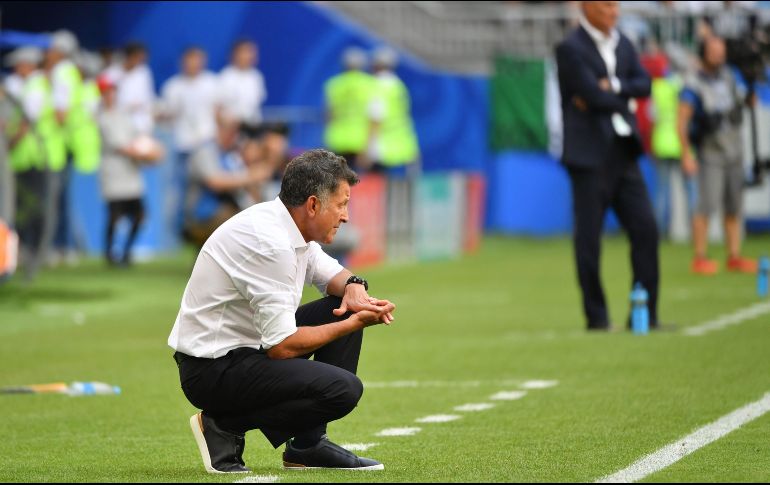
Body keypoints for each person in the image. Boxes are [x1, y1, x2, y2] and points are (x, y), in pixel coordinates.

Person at [168, 149, 396, 473]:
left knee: (342, 309)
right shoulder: (270, 243)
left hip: (244, 352)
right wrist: (357, 322)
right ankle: (223, 424)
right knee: (344, 390)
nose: (346, 216)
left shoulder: (287, 225)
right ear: (314, 205)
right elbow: (282, 347)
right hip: (211, 370)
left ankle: (307, 446)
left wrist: (355, 287)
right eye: (342, 204)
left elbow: (332, 275)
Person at [555, 1, 661, 331]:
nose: (614, 12)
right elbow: (589, 92)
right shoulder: (569, 47)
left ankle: (644, 314)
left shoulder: (624, 42)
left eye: (616, 5)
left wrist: (613, 87)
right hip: (588, 155)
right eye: (606, 5)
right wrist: (619, 95)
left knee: (646, 229)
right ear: (586, 6)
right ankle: (597, 317)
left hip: (624, 151)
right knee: (589, 240)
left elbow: (645, 84)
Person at [677, 35, 757, 275]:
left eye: (721, 51)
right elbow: (682, 120)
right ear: (704, 52)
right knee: (706, 204)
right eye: (714, 51)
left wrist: (749, 99)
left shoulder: (730, 75)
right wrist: (686, 154)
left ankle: (734, 255)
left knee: (734, 205)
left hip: (734, 148)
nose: (719, 56)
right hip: (710, 150)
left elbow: (742, 100)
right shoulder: (693, 82)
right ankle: (700, 257)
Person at [97, 75, 162, 266]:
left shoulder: (123, 115)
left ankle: (125, 252)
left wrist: (151, 149)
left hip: (131, 172)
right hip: (115, 171)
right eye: (107, 92)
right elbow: (119, 146)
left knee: (140, 215)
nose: (111, 95)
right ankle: (110, 255)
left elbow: (137, 138)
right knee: (114, 215)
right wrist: (147, 155)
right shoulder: (102, 117)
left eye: (113, 91)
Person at [367, 46, 420, 177]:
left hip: (383, 150)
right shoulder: (399, 86)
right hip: (404, 148)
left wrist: (367, 150)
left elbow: (376, 118)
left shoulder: (376, 86)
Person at [323, 47, 376, 171]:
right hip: (361, 140)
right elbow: (373, 116)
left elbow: (329, 115)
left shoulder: (334, 84)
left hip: (337, 139)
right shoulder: (370, 84)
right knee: (360, 183)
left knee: (339, 181)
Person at [104, 42, 156, 135]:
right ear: (129, 56)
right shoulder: (111, 74)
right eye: (138, 58)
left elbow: (148, 98)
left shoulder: (144, 73)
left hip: (141, 125)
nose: (140, 62)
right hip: (119, 124)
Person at [218, 39, 267, 125]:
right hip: (230, 127)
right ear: (235, 54)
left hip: (252, 127)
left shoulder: (257, 76)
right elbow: (219, 107)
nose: (248, 56)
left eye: (250, 52)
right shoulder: (226, 76)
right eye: (244, 52)